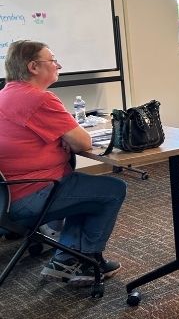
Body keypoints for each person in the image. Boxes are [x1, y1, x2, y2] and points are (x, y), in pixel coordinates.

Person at [0, 40, 126, 285]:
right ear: (34, 67)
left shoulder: (6, 94)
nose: (58, 65)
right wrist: (69, 139)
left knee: (84, 188)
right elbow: (83, 143)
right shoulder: (38, 99)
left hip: (5, 195)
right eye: (52, 60)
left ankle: (67, 258)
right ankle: (81, 262)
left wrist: (62, 139)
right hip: (30, 194)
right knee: (112, 190)